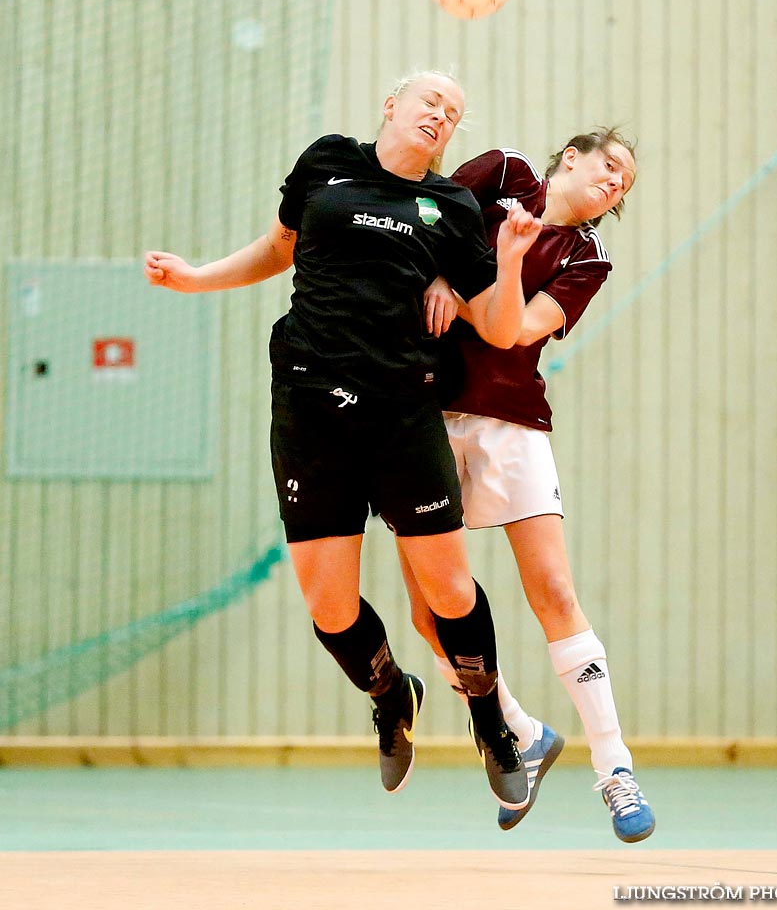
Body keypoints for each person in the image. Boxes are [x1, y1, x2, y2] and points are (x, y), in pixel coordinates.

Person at [143, 70, 543, 811]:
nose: (440, 116)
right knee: (329, 608)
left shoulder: (451, 208)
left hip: (400, 413)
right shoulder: (327, 162)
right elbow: (277, 248)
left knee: (449, 588)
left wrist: (512, 256)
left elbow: (498, 326)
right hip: (308, 403)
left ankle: (492, 725)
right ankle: (392, 693)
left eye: (452, 113)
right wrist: (197, 279)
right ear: (391, 105)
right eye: (430, 101)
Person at [399, 129, 656, 841]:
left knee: (553, 593)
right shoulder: (503, 170)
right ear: (568, 156)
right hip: (419, 412)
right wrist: (447, 273)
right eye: (608, 164)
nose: (614, 182)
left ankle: (615, 768)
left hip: (508, 422)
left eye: (624, 183)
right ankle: (519, 731)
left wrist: (493, 270)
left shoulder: (585, 256)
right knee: (429, 615)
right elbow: (426, 226)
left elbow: (512, 331)